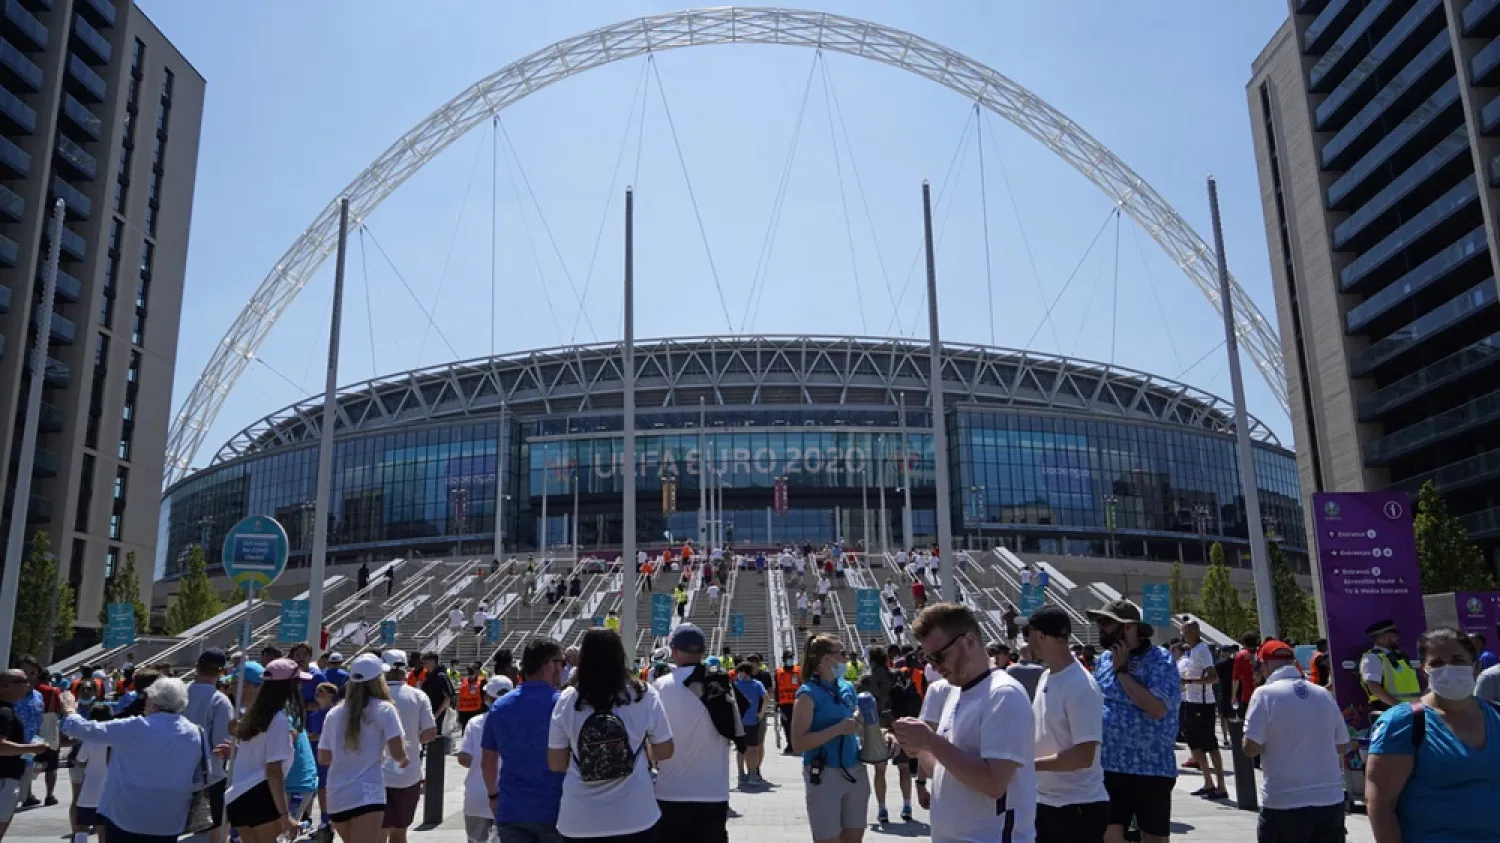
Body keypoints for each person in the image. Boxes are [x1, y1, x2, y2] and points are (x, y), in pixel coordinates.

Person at [892, 604, 1037, 843]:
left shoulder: (1003, 695)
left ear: (969, 641)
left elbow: (994, 783)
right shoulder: (957, 692)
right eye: (927, 658)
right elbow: (943, 770)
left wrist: (930, 740)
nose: (935, 665)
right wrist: (917, 748)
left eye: (938, 655)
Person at [1366, 627, 1500, 842]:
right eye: (1437, 663)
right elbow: (1381, 804)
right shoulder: (1403, 723)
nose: (1448, 669)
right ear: (1423, 671)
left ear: (1475, 666)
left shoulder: (1496, 715)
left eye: (1457, 660)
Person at [546, 628, 674, 841]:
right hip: (636, 816)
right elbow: (665, 750)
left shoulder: (568, 699)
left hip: (579, 820)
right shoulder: (643, 694)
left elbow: (556, 763)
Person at [57, 676, 210, 841]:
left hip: (127, 817)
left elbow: (83, 729)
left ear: (153, 701)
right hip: (170, 819)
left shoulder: (135, 726)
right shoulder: (196, 732)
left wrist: (70, 710)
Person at [1086, 600, 1179, 843]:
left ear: (1128, 627)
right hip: (1110, 765)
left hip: (1151, 767)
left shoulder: (1160, 659)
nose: (1100, 628)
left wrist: (1123, 672)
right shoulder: (1104, 660)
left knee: (1153, 837)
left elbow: (1156, 708)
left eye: (1106, 622)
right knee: (1108, 834)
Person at [1239, 640, 1347, 843]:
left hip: (1284, 801)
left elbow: (1250, 747)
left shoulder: (1264, 694)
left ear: (1266, 664)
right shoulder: (1323, 694)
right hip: (1329, 799)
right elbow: (1341, 745)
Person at [1025, 606, 1108, 843]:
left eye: (1028, 634)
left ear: (1039, 635)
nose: (1027, 642)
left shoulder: (1081, 685)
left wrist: (1028, 766)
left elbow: (1084, 756)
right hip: (1047, 802)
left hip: (1077, 809)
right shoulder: (1046, 676)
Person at [653, 624, 734, 843]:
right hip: (714, 791)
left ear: (675, 651)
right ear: (702, 652)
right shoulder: (723, 684)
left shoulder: (659, 687)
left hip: (670, 791)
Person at [482, 637, 567, 843]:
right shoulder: (562, 704)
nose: (563, 669)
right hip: (556, 808)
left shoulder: (500, 706)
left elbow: (488, 761)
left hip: (513, 808)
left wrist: (493, 796)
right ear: (549, 665)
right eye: (561, 663)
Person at [318, 653, 409, 843]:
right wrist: (403, 759)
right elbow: (397, 753)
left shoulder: (334, 713)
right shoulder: (385, 709)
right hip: (367, 792)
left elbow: (324, 758)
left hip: (337, 793)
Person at [791, 633, 871, 843]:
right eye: (842, 653)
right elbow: (798, 743)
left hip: (855, 769)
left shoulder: (847, 687)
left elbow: (856, 725)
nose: (847, 659)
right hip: (825, 773)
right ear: (826, 658)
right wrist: (837, 729)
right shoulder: (807, 694)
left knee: (854, 837)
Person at [226, 658, 307, 842]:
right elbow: (273, 770)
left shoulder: (253, 716)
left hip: (238, 795)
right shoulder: (277, 720)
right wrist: (284, 815)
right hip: (261, 794)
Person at [382, 651, 437, 843]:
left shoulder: (371, 697)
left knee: (377, 832)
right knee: (399, 833)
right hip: (408, 773)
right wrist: (413, 740)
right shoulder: (418, 696)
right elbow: (430, 733)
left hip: (374, 774)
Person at [183, 648, 235, 843]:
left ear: (197, 667)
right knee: (218, 825)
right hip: (209, 775)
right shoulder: (219, 700)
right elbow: (221, 744)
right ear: (222, 671)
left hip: (175, 768)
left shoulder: (179, 692)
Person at [458, 676, 514, 843]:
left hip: (478, 795)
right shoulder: (518, 722)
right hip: (509, 798)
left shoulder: (475, 723)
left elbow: (464, 758)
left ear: (486, 698)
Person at [1178, 620, 1227, 799]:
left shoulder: (1201, 650)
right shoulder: (1191, 652)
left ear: (1191, 631)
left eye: (1183, 630)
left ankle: (1221, 786)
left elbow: (1213, 678)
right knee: (1194, 743)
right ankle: (1208, 781)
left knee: (1210, 744)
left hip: (1203, 704)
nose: (1181, 633)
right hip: (1191, 701)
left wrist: (1190, 681)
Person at [863, 648, 911, 825]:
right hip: (899, 724)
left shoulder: (867, 679)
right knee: (904, 768)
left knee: (879, 771)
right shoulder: (896, 675)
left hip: (878, 727)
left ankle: (882, 809)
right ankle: (907, 806)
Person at [0, 670, 50, 839]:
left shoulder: (9, 709)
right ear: (5, 686)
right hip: (4, 780)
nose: (27, 686)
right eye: (22, 682)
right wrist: (31, 749)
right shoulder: (4, 712)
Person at [69, 703, 112, 843]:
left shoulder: (90, 739)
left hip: (89, 789)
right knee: (103, 827)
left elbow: (80, 760)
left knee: (82, 826)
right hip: (108, 791)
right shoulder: (114, 739)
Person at [1360, 618, 1421, 717]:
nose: (1397, 638)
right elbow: (1374, 687)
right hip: (1390, 713)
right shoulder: (1373, 658)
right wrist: (1399, 707)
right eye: (1393, 635)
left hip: (1409, 711)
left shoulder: (1399, 657)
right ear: (1381, 638)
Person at [733, 663, 768, 786]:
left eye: (739, 672)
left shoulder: (756, 684)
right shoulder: (736, 684)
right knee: (742, 749)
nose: (738, 675)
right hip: (740, 721)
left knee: (750, 749)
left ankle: (751, 774)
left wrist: (761, 713)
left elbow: (766, 697)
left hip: (750, 721)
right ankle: (743, 774)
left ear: (744, 672)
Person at [775, 652, 801, 757]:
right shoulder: (778, 672)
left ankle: (797, 744)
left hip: (797, 702)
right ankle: (790, 744)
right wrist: (777, 702)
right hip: (784, 704)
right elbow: (777, 688)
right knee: (786, 725)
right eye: (788, 658)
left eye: (791, 658)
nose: (790, 660)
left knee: (797, 724)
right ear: (784, 659)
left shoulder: (799, 670)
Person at [457, 665, 486, 732]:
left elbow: (485, 695)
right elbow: (460, 696)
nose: (470, 677)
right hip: (464, 710)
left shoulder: (482, 681)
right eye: (469, 674)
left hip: (476, 710)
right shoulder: (463, 681)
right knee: (465, 730)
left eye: (472, 674)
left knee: (476, 729)